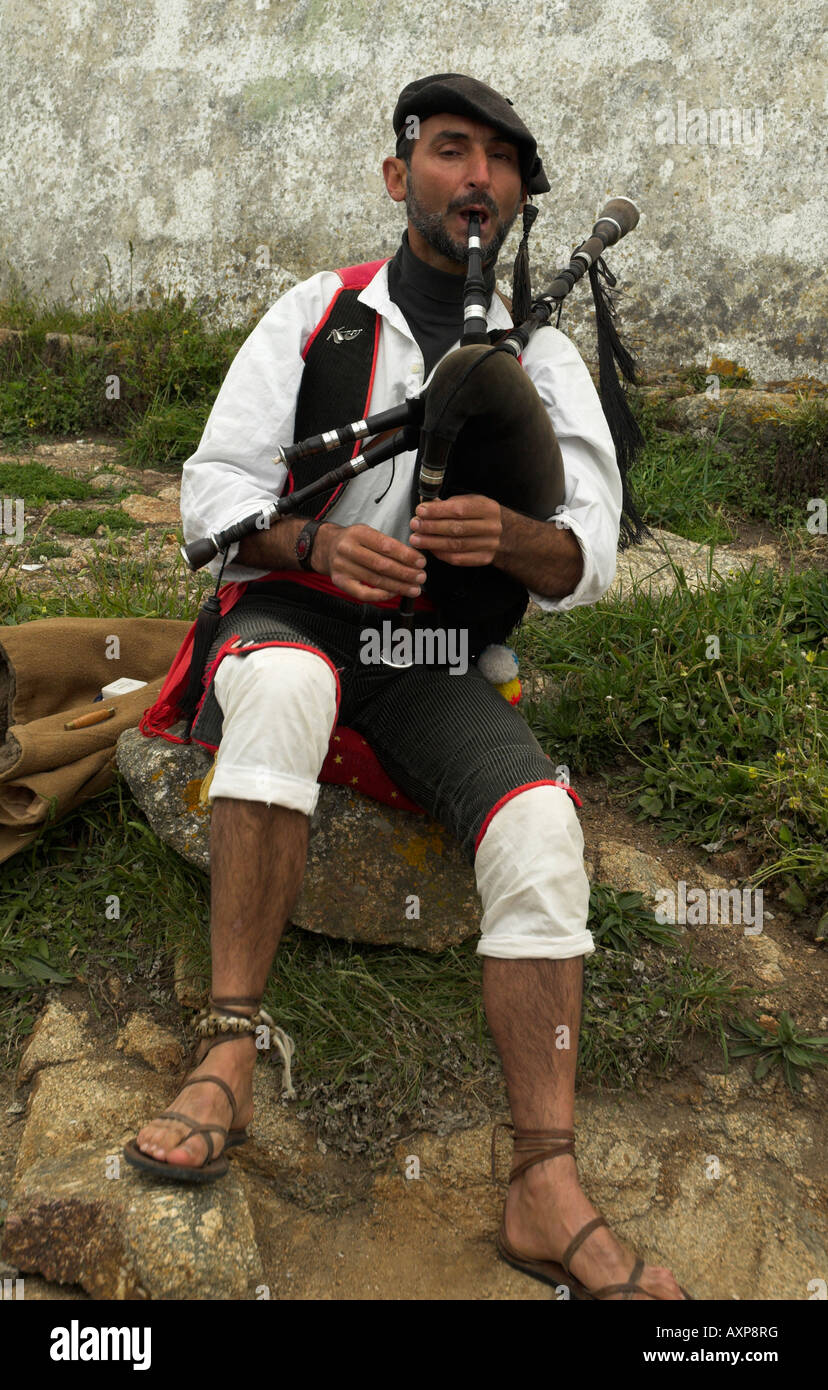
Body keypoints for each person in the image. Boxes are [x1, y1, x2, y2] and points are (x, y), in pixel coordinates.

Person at [126, 75, 690, 1300]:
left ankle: (543, 1180)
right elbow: (213, 491)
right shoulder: (320, 315)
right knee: (280, 691)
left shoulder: (539, 358)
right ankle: (229, 1044)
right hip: (301, 614)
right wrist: (314, 544)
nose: (474, 179)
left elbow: (588, 551)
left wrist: (515, 540)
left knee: (542, 829)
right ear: (401, 177)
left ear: (520, 200)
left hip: (435, 657)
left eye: (499, 163)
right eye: (447, 152)